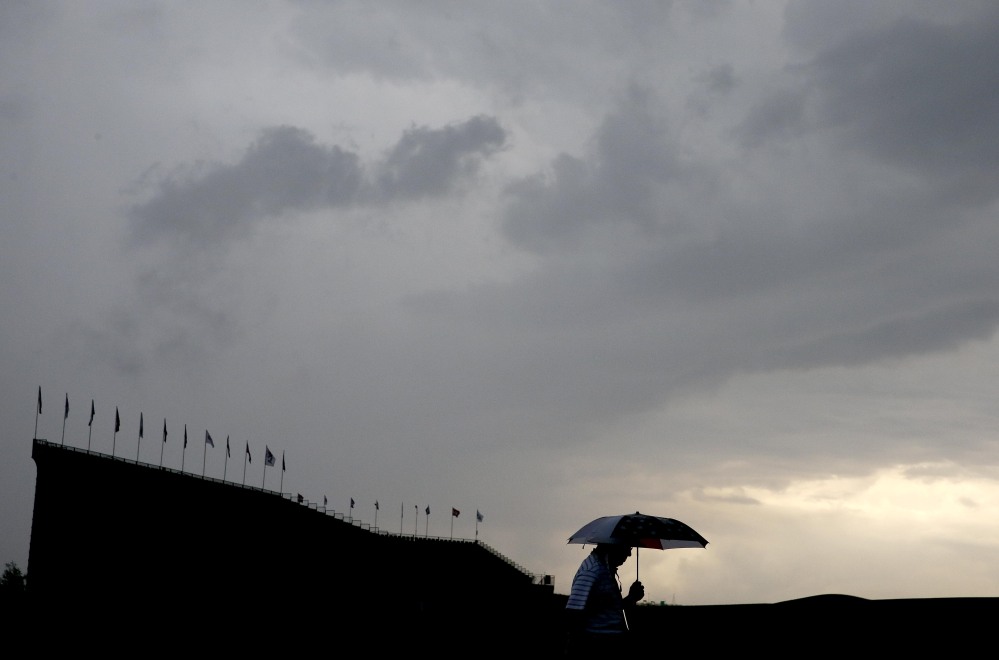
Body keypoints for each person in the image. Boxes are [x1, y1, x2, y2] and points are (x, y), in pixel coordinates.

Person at [563, 542, 644, 655]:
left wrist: (631, 598)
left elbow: (609, 608)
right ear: (613, 546)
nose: (629, 553)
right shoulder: (592, 571)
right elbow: (573, 613)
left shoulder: (605, 569)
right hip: (597, 646)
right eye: (627, 547)